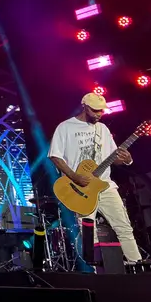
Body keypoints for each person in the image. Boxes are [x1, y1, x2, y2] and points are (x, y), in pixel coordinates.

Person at [48, 92, 141, 262]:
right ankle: (96, 270)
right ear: (84, 106)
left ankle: (137, 265)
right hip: (81, 188)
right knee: (89, 233)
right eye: (95, 110)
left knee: (124, 227)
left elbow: (113, 159)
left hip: (105, 185)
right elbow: (55, 156)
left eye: (101, 111)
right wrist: (74, 176)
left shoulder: (103, 129)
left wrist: (127, 160)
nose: (99, 114)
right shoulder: (65, 127)